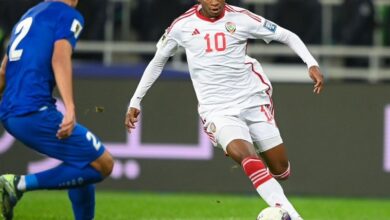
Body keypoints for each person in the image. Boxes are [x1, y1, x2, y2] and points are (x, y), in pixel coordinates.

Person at [125, 0, 324, 219]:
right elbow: (157, 61)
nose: (214, 2)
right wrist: (136, 100)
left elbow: (287, 35)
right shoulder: (182, 26)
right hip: (217, 111)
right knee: (248, 158)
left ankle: (272, 185)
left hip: (252, 100)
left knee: (281, 171)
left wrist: (311, 63)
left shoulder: (242, 18)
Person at [0, 0, 114, 220]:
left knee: (81, 160)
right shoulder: (68, 15)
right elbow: (59, 57)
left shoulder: (30, 14)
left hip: (11, 114)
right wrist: (70, 107)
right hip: (34, 110)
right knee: (104, 164)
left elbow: (4, 70)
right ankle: (17, 184)